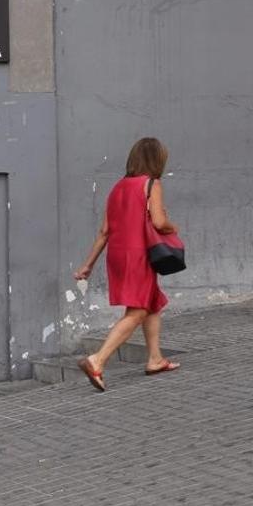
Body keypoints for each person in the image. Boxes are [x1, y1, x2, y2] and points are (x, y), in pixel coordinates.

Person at [73, 137, 182, 391]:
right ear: (157, 160)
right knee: (138, 311)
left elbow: (104, 232)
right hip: (139, 255)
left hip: (118, 255)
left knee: (151, 302)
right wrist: (172, 226)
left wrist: (87, 265)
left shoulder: (118, 187)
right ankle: (97, 360)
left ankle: (155, 359)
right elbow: (158, 222)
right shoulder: (151, 184)